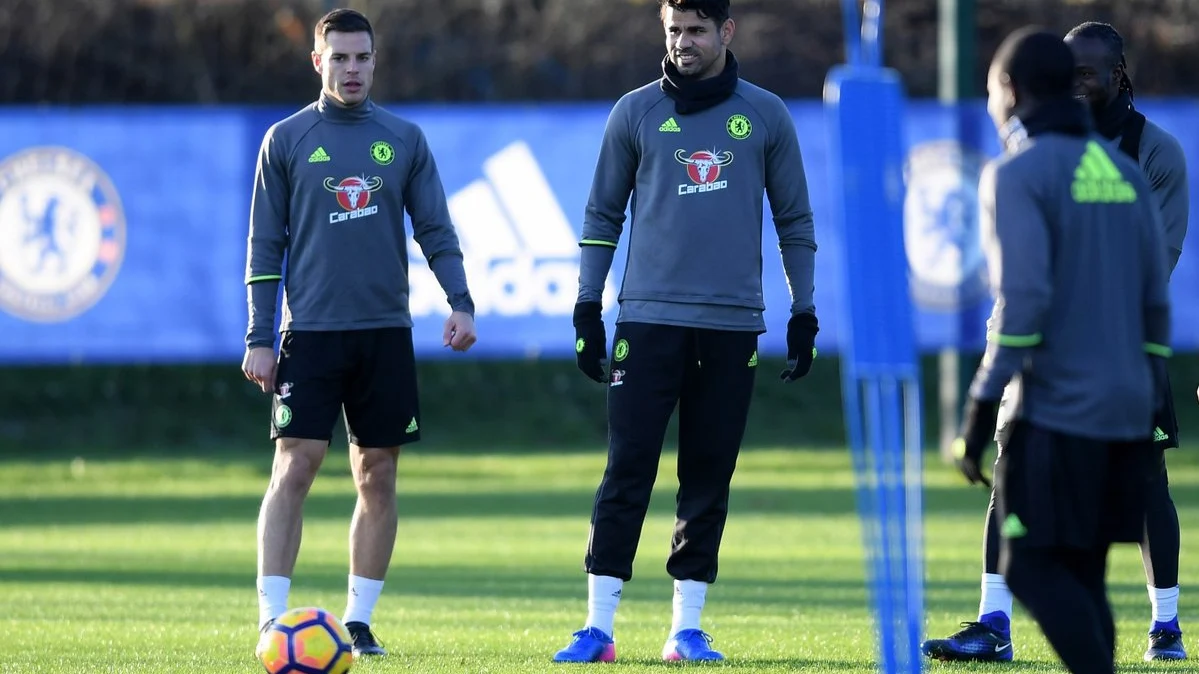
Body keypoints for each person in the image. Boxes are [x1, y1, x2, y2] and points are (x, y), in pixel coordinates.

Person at [551, 0, 819, 663]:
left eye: (696, 30)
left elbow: (794, 220)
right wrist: (588, 305)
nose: (683, 43)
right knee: (627, 469)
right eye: (674, 30)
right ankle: (598, 628)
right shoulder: (635, 111)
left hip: (730, 327)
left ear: (725, 32)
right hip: (645, 321)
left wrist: (803, 309)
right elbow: (600, 213)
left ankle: (686, 629)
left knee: (707, 476)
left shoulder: (763, 115)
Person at [921, 21, 1189, 664]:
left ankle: (1145, 636)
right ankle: (1017, 632)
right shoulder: (1119, 170)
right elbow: (1156, 293)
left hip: (1057, 393)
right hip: (1129, 388)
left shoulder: (1017, 173)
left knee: (1030, 565)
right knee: (1084, 564)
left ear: (1009, 91)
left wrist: (983, 400)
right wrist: (1150, 375)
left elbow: (1025, 299)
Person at [242, 8, 477, 659]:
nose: (351, 69)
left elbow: (436, 228)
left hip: (383, 334)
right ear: (317, 62)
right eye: (339, 58)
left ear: (375, 61)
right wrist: (260, 336)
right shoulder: (286, 140)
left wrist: (461, 301)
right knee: (296, 465)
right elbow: (265, 247)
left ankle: (360, 620)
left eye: (361, 58)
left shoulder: (402, 138)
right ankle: (271, 618)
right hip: (310, 334)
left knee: (377, 473)